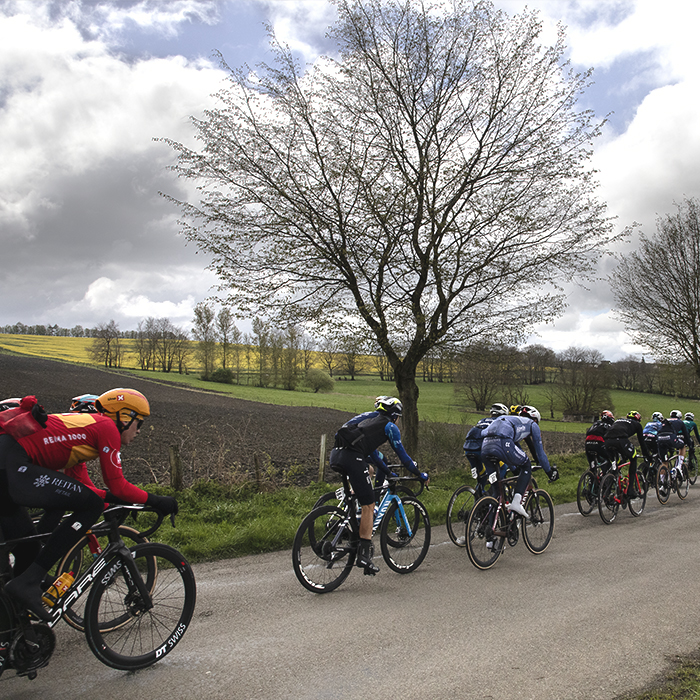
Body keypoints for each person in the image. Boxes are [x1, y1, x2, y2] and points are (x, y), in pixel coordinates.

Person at [0, 388, 177, 622]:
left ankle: (14, 627)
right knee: (90, 506)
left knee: (28, 551)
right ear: (124, 417)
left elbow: (78, 486)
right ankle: (30, 582)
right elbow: (117, 486)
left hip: (7, 463)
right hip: (11, 464)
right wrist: (157, 501)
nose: (139, 431)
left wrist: (122, 500)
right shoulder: (106, 428)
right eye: (139, 423)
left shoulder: (85, 432)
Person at [328, 396, 428, 575]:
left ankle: (350, 526)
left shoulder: (368, 419)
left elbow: (373, 454)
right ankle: (364, 556)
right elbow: (404, 457)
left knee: (366, 479)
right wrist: (420, 475)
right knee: (369, 505)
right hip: (353, 458)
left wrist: (388, 473)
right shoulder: (390, 426)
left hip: (336, 454)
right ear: (395, 416)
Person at [480, 405, 559, 518]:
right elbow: (540, 454)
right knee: (526, 465)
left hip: (485, 446)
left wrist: (514, 468)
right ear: (535, 420)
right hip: (502, 443)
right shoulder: (532, 425)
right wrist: (549, 472)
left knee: (497, 494)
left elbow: (515, 452)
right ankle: (516, 503)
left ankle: (489, 527)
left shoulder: (512, 420)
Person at [462, 403, 509, 493]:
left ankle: (480, 498)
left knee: (482, 475)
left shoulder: (482, 420)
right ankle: (494, 494)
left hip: (468, 450)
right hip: (482, 450)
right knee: (503, 468)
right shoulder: (500, 422)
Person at [603, 411, 651, 498]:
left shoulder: (618, 420)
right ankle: (630, 490)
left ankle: (607, 490)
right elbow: (642, 442)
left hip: (607, 441)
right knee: (633, 458)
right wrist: (647, 456)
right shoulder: (637, 425)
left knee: (617, 463)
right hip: (620, 440)